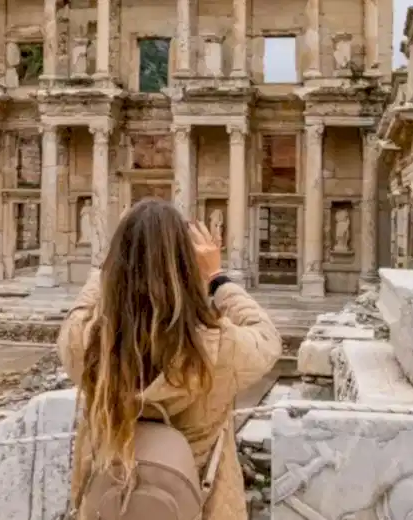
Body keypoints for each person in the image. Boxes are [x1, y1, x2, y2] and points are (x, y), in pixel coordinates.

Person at [56, 198, 283, 520]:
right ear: (188, 264)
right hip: (197, 506)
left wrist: (114, 261)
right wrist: (217, 277)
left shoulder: (87, 341)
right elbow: (267, 337)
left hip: (110, 505)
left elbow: (78, 312)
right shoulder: (217, 347)